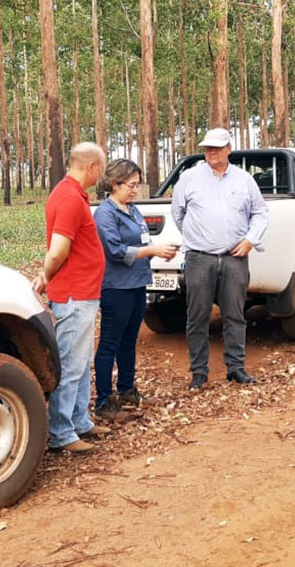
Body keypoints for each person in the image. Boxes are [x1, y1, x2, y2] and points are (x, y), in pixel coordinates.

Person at [171, 127, 270, 389]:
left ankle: (236, 368)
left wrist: (250, 239)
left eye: (216, 148)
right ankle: (199, 372)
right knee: (197, 316)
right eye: (207, 148)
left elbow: (260, 213)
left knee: (235, 314)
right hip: (199, 258)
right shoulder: (189, 178)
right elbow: (178, 214)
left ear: (228, 149)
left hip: (234, 257)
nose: (211, 153)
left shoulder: (244, 179)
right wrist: (198, 239)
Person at [33, 142, 108, 454]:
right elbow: (59, 249)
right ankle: (62, 432)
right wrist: (46, 276)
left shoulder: (73, 195)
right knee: (71, 364)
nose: (101, 175)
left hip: (85, 293)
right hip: (75, 295)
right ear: (90, 167)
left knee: (81, 362)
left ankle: (79, 421)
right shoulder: (69, 198)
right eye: (101, 170)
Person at [92, 159, 178, 423]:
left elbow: (142, 241)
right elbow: (116, 251)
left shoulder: (133, 210)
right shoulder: (105, 214)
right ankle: (104, 401)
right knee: (110, 342)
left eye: (137, 185)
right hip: (116, 287)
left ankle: (127, 389)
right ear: (115, 184)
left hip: (137, 282)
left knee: (130, 340)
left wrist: (157, 251)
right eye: (131, 185)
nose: (135, 190)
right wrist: (151, 250)